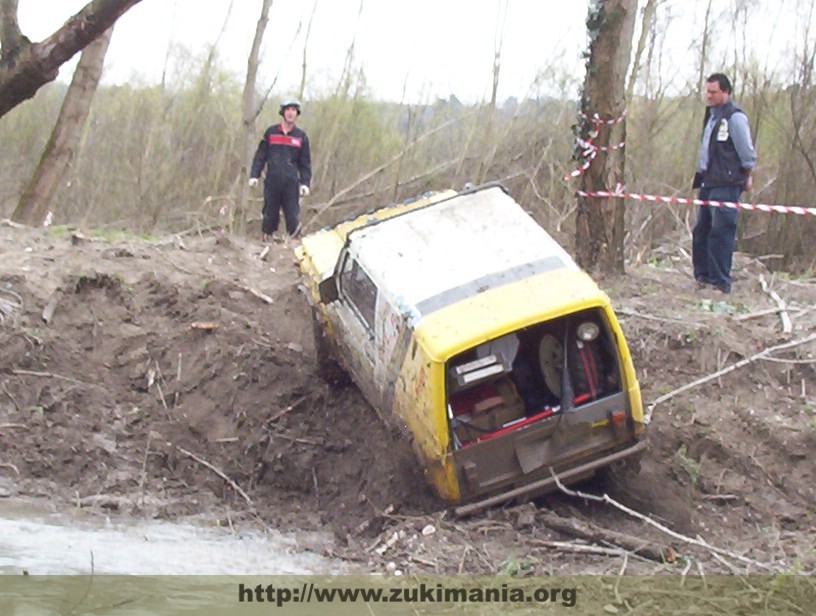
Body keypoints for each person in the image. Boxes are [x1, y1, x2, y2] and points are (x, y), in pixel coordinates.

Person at [691, 73, 757, 294]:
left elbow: (746, 151)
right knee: (702, 230)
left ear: (725, 92)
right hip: (708, 180)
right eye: (707, 91)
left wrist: (747, 175)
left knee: (721, 231)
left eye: (713, 92)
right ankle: (703, 276)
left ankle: (721, 282)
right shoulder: (711, 115)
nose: (708, 96)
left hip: (727, 182)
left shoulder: (735, 117)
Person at [249, 97, 312, 240]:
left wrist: (305, 183)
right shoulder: (271, 133)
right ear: (283, 112)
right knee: (270, 213)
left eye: (294, 110)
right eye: (288, 110)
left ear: (297, 113)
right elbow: (261, 156)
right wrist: (254, 175)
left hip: (291, 182)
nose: (291, 113)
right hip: (272, 180)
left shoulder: (301, 137)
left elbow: (305, 163)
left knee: (292, 214)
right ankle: (267, 240)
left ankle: (293, 245)